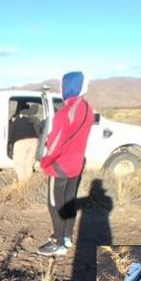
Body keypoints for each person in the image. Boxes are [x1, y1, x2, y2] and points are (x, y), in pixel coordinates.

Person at [37, 71, 94, 256]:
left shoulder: (64, 114)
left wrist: (43, 163)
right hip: (77, 165)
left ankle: (58, 243)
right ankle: (68, 238)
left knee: (55, 205)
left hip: (59, 167)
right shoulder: (87, 108)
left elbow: (54, 147)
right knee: (69, 201)